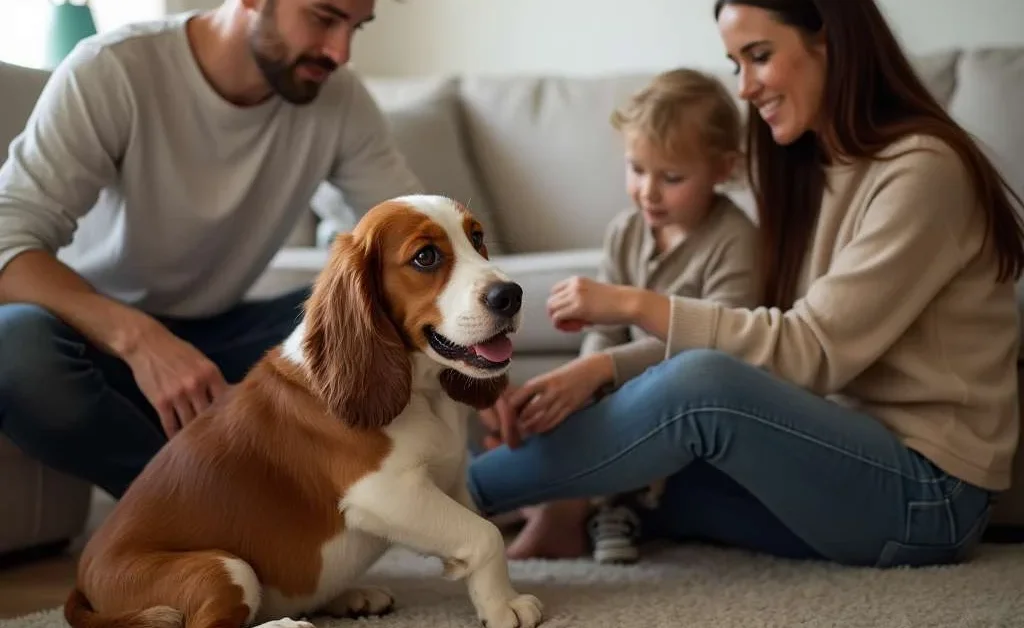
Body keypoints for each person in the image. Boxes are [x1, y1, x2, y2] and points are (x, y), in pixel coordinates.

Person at [468, 0, 1024, 569]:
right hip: (836, 454)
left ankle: (455, 497)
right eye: (735, 64)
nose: (744, 88)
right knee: (628, 448)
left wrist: (633, 307)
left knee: (699, 383)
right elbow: (765, 343)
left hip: (926, 496)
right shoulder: (814, 166)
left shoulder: (923, 170)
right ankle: (544, 505)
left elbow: (810, 351)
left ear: (829, 41)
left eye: (759, 57)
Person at [0, 0, 422, 500]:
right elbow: (8, 237)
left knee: (377, 316)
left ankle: (463, 487)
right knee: (14, 350)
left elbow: (415, 234)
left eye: (356, 27)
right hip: (94, 338)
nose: (341, 51)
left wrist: (470, 344)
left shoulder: (340, 98)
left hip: (224, 344)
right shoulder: (115, 69)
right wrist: (141, 340)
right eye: (324, 18)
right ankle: (208, 503)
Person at [486, 68, 760, 563]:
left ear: (723, 168)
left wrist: (599, 372)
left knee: (616, 401)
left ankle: (589, 508)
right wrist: (578, 381)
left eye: (672, 177)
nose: (648, 191)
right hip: (622, 384)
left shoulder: (734, 239)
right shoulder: (626, 232)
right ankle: (551, 506)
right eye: (636, 169)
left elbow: (724, 344)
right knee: (559, 402)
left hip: (686, 403)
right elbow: (605, 328)